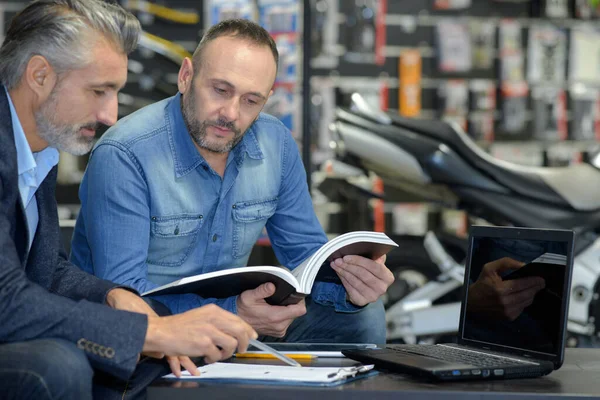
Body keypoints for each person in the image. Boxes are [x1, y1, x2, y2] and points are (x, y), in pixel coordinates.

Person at [70, 18, 395, 344]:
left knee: (364, 315)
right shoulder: (125, 154)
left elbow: (306, 259)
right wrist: (232, 313)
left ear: (266, 99)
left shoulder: (277, 145)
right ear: (186, 77)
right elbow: (123, 297)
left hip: (239, 319)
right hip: (147, 328)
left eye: (251, 100)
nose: (231, 113)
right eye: (221, 90)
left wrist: (353, 286)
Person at [0, 1, 256, 399]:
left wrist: (113, 296)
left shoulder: (41, 147)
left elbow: (44, 268)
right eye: (98, 91)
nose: (110, 114)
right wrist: (151, 332)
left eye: (115, 92)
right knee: (57, 366)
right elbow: (5, 300)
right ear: (39, 75)